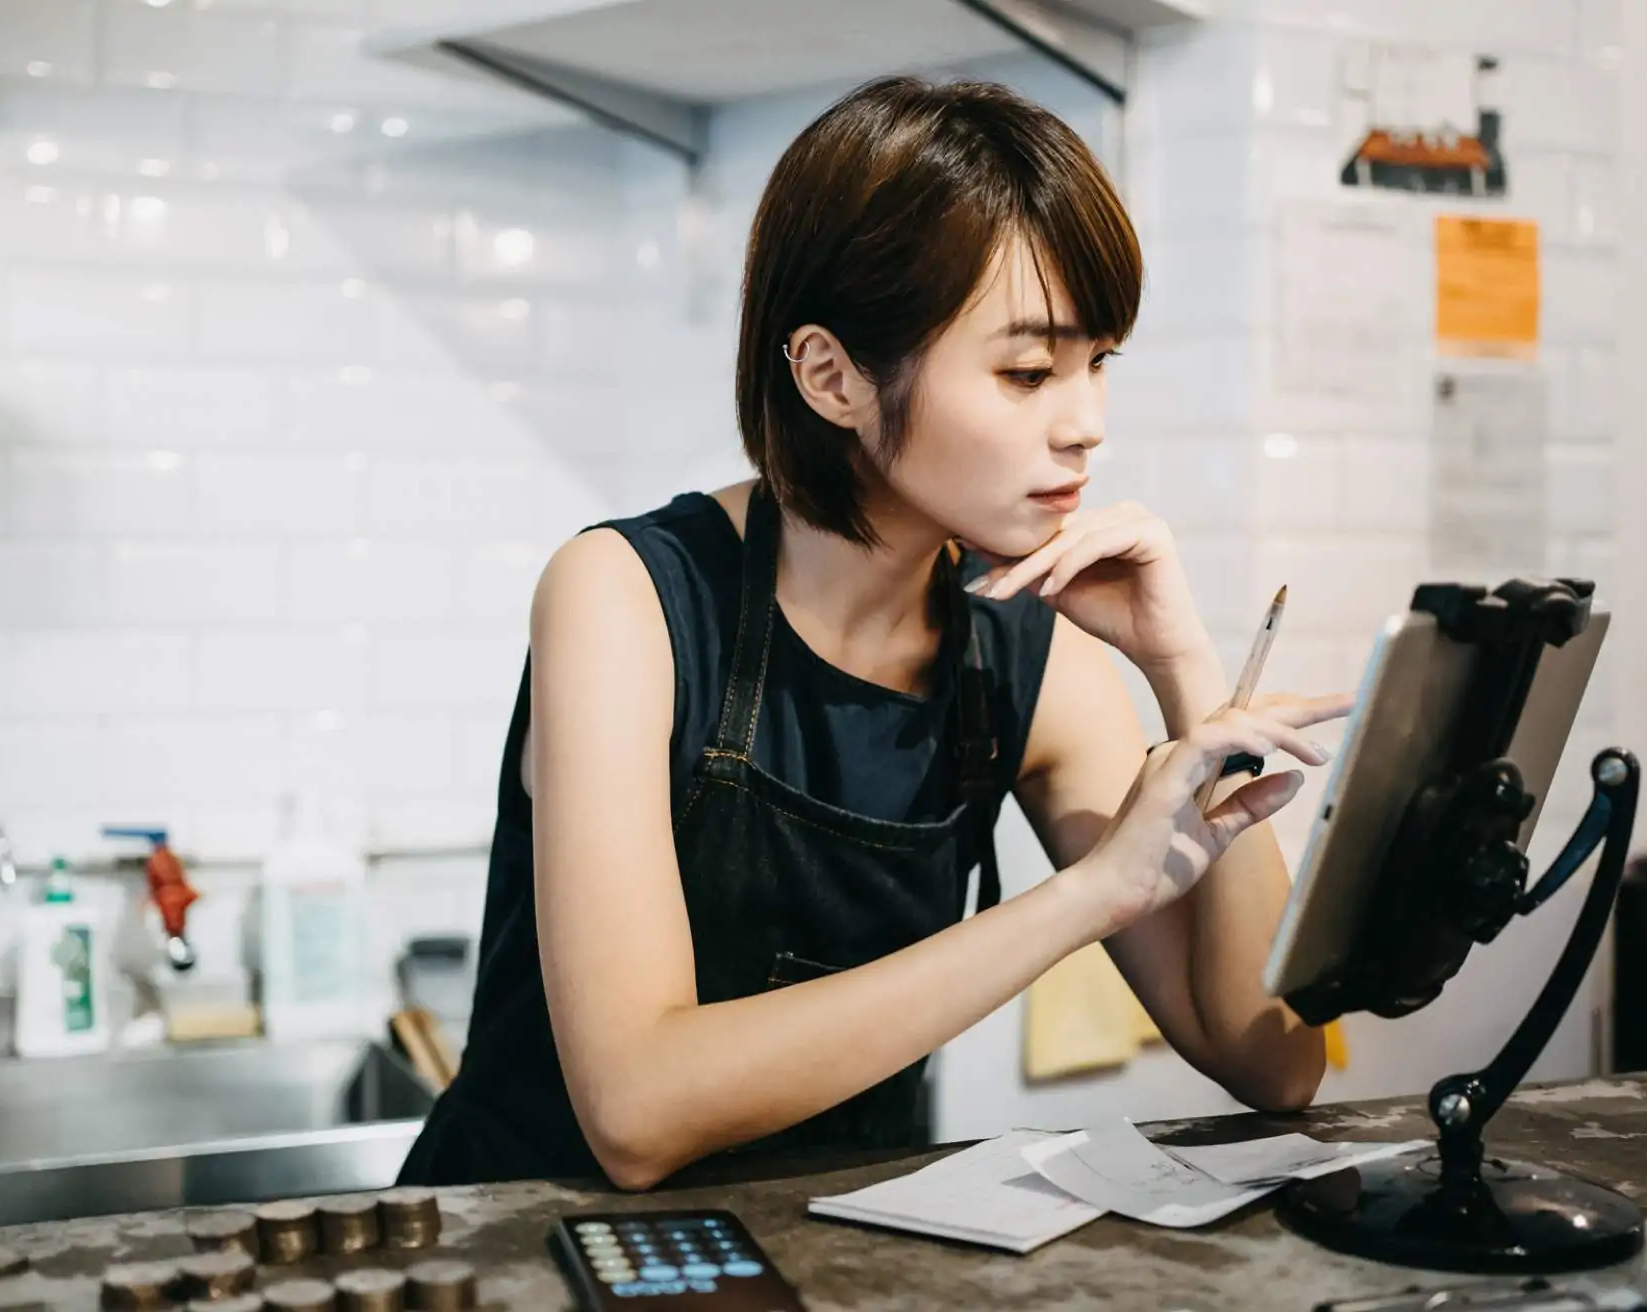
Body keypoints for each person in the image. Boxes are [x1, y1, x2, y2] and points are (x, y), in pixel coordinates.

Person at [399, 74, 1351, 1192]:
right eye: (1027, 371)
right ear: (831, 375)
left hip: (829, 1258)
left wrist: (1188, 674)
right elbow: (636, 1108)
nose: (1085, 422)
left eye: (1098, 364)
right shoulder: (625, 598)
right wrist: (1086, 895)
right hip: (527, 1252)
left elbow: (1274, 1062)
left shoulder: (1027, 659)